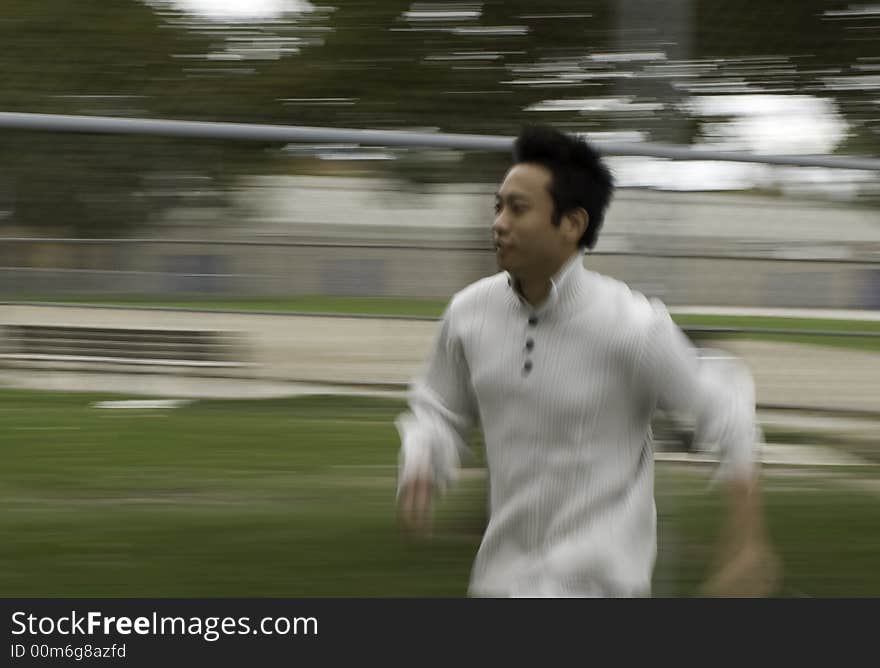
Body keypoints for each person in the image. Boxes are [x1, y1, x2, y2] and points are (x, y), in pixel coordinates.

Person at [396, 124, 780, 598]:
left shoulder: (633, 326)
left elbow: (729, 413)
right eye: (498, 206)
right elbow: (439, 407)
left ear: (572, 224)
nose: (498, 222)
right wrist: (424, 451)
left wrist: (747, 545)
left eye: (518, 209)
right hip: (499, 584)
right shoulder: (467, 314)